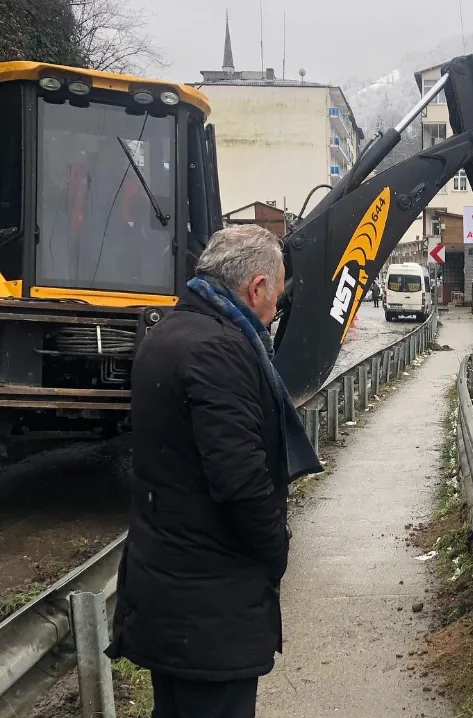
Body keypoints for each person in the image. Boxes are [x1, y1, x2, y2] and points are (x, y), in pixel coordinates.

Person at [107, 224, 321, 718]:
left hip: (169, 590)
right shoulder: (220, 352)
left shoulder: (169, 335)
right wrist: (276, 550)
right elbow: (241, 481)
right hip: (211, 606)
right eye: (278, 295)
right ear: (257, 288)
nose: (276, 311)